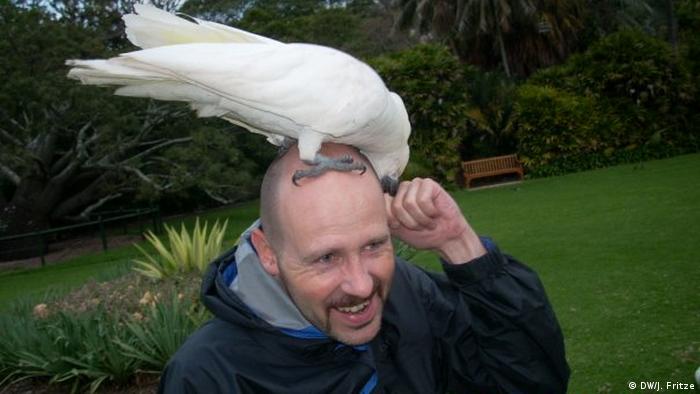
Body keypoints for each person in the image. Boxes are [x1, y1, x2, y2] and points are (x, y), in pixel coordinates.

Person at [158, 143, 569, 393]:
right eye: (325, 258)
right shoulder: (207, 377)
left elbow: (533, 383)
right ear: (268, 253)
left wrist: (459, 244)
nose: (360, 286)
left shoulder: (411, 295)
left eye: (374, 245)